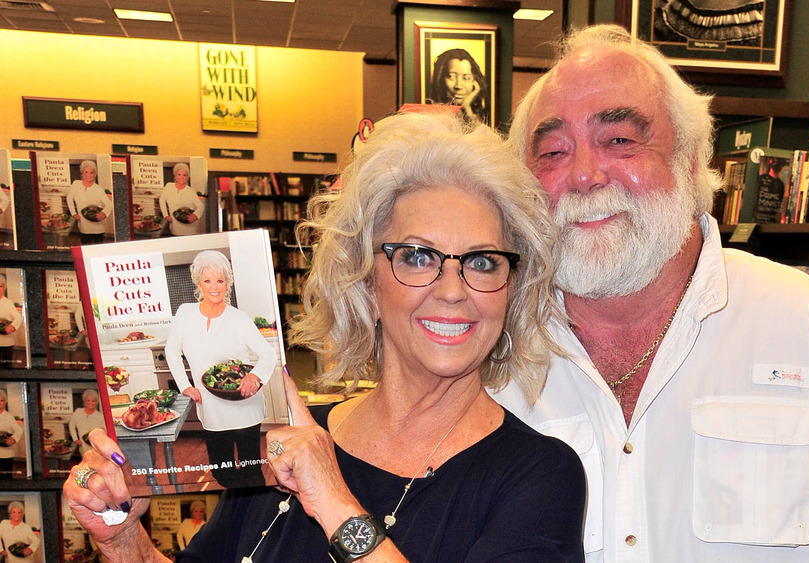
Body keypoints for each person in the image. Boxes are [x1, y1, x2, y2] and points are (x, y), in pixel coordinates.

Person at [492, 24, 809, 562]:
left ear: (688, 161)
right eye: (553, 151)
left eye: (619, 141)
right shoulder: (491, 354)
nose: (585, 174)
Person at [61, 111, 586, 562]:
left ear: (511, 288)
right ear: (365, 279)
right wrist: (125, 541)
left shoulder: (539, 477)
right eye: (419, 256)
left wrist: (332, 500)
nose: (453, 289)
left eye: (483, 261)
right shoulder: (289, 435)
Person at [166, 250, 277, 488]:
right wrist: (185, 386)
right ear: (199, 283)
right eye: (208, 280)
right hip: (211, 408)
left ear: (228, 283)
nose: (214, 287)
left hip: (243, 405)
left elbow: (268, 353)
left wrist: (255, 376)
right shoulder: (185, 314)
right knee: (221, 472)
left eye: (220, 280)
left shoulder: (239, 319)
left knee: (251, 473)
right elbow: (172, 352)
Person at [428, 48, 490, 125]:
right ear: (440, 79)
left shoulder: (480, 114)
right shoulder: (431, 116)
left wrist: (467, 107)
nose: (458, 86)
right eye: (451, 76)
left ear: (475, 82)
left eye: (466, 78)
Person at [66, 160, 111, 245]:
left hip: (98, 227)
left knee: (98, 250)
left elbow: (109, 205)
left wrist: (103, 213)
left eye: (92, 172)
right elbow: (69, 198)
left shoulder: (98, 189)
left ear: (95, 174)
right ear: (82, 173)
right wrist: (73, 213)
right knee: (86, 247)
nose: (89, 175)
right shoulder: (76, 184)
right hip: (84, 226)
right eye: (86, 172)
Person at [159, 163, 204, 237]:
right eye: (179, 174)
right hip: (175, 228)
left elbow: (200, 206)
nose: (181, 177)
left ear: (187, 176)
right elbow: (162, 200)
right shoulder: (168, 187)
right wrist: (166, 215)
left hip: (190, 230)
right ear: (175, 175)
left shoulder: (190, 191)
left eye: (184, 175)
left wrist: (195, 215)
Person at [69, 389, 106, 456]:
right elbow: (71, 425)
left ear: (96, 402)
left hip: (96, 449)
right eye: (88, 400)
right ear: (84, 401)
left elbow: (106, 431)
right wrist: (75, 439)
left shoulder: (100, 416)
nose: (90, 403)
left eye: (93, 401)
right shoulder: (78, 412)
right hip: (82, 448)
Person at [0, 274, 24, 366]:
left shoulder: (8, 303)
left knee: (6, 364)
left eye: (0, 286)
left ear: (4, 288)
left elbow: (19, 317)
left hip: (6, 340)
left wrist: (12, 326)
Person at [0, 388, 24, 478]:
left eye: (2, 401)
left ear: (4, 402)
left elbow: (19, 430)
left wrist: (13, 439)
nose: (0, 403)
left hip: (7, 453)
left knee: (7, 476)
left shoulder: (8, 416)